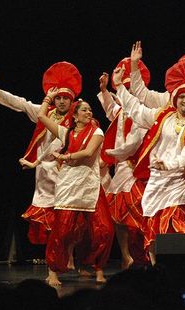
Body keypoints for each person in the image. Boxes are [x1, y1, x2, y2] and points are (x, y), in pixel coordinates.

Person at [112, 61, 185, 265]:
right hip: (160, 178)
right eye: (181, 96)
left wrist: (171, 163)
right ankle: (155, 260)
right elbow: (136, 109)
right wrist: (120, 86)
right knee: (157, 221)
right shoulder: (162, 116)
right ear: (174, 99)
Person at [0, 62, 79, 247]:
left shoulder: (77, 120)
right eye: (58, 97)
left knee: (68, 216)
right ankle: (54, 259)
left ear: (71, 101)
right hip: (44, 172)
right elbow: (22, 103)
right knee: (50, 219)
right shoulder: (45, 113)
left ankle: (68, 255)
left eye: (65, 98)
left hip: (67, 171)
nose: (61, 101)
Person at [37, 77, 114, 285]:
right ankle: (53, 272)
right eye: (84, 110)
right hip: (68, 186)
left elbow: (88, 152)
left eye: (90, 110)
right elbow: (41, 116)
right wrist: (48, 98)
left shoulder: (96, 131)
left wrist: (65, 157)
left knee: (104, 230)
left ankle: (97, 268)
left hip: (89, 187)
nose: (89, 113)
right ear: (75, 115)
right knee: (62, 231)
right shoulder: (66, 133)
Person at [97, 57, 151, 269]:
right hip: (121, 169)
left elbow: (133, 144)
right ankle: (126, 255)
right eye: (122, 88)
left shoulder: (142, 114)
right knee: (117, 215)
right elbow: (111, 108)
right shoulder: (120, 112)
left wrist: (109, 154)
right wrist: (103, 89)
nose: (123, 94)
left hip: (136, 168)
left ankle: (144, 251)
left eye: (128, 88)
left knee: (139, 211)